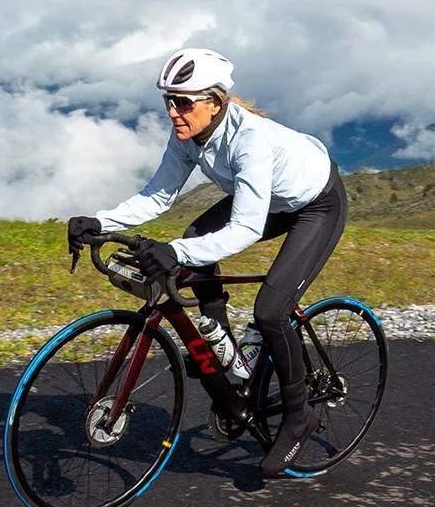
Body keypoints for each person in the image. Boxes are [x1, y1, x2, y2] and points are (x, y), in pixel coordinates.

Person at [67, 47, 348, 477]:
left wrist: (174, 252)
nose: (173, 112)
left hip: (316, 205)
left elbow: (247, 229)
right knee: (197, 238)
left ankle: (299, 416)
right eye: (168, 102)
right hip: (272, 197)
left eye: (182, 102)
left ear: (214, 102)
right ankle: (225, 350)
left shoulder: (250, 141)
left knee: (271, 311)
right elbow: (158, 195)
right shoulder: (190, 135)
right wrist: (100, 221)